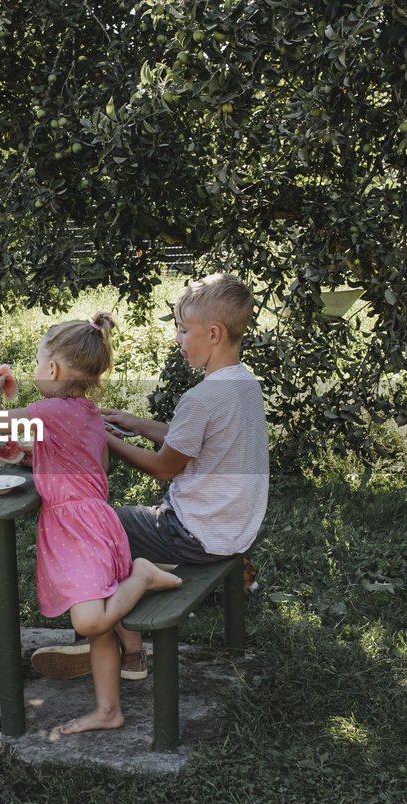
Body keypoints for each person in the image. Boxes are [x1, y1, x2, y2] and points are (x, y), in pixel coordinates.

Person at [30, 273, 269, 682]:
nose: (178, 338)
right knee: (109, 528)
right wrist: (135, 424)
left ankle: (118, 645)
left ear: (213, 333)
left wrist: (105, 436)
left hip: (195, 533)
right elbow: (190, 439)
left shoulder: (202, 397)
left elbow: (163, 468)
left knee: (100, 529)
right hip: (233, 528)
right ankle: (114, 637)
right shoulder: (242, 383)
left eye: (182, 329)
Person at [0, 311, 183, 734]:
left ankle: (143, 576)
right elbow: (96, 464)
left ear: (52, 369)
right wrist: (38, 456)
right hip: (97, 520)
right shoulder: (89, 413)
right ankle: (109, 710)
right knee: (100, 630)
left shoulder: (48, 409)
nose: (36, 370)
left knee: (89, 621)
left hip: (75, 528)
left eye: (38, 362)